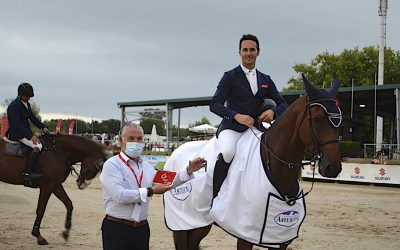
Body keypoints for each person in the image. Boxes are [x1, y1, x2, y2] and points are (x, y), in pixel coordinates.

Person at [99, 123, 207, 250]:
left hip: (141, 229)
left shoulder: (146, 166)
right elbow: (120, 196)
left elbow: (167, 180)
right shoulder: (112, 165)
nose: (136, 142)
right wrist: (150, 191)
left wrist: (189, 170)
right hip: (117, 228)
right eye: (131, 138)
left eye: (139, 139)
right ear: (120, 140)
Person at [209, 34, 288, 198]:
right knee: (228, 152)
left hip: (255, 129)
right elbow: (214, 104)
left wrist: (273, 112)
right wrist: (235, 115)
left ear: (258, 52)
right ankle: (215, 196)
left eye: (252, 50)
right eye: (245, 50)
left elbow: (283, 104)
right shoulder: (229, 76)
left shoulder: (266, 79)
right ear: (239, 52)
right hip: (232, 128)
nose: (248, 53)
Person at [6, 83, 49, 179]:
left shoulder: (26, 104)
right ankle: (28, 172)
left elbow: (33, 118)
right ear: (20, 95)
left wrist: (43, 127)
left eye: (30, 96)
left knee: (42, 142)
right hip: (17, 134)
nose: (29, 98)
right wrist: (31, 136)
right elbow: (17, 125)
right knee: (38, 145)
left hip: (24, 132)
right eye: (27, 96)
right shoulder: (14, 106)